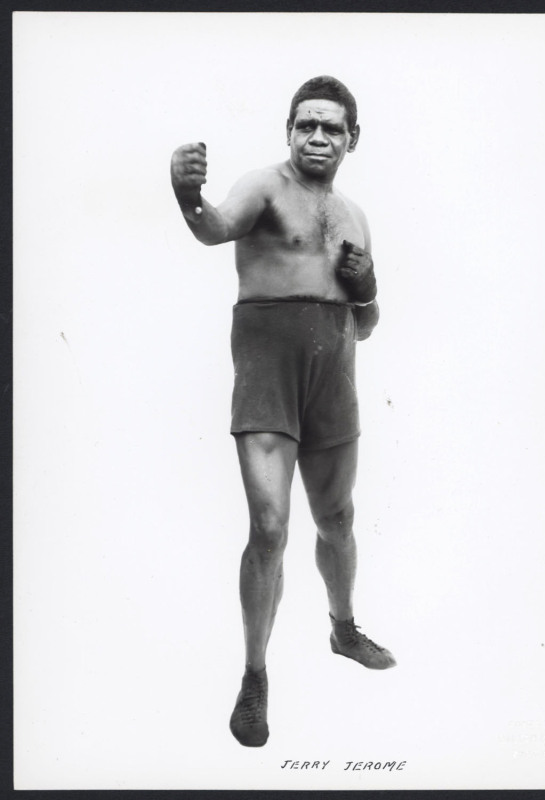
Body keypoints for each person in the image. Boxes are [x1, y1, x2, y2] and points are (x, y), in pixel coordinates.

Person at [170, 76, 396, 748]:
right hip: (268, 370)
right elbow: (214, 230)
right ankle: (254, 675)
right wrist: (187, 194)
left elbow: (368, 322)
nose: (317, 137)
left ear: (351, 137)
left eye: (330, 128)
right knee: (269, 528)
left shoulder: (354, 213)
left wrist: (368, 288)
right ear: (288, 132)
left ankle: (342, 626)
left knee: (338, 518)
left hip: (335, 372)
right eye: (305, 125)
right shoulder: (263, 187)